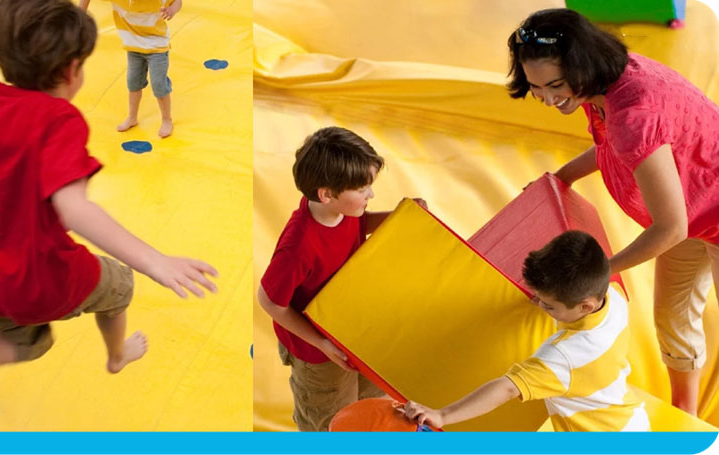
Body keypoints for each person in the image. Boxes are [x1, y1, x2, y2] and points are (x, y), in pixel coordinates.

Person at [0, 0, 216, 428]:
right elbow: (73, 207)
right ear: (72, 71)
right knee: (120, 285)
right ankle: (117, 357)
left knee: (26, 338)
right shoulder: (59, 120)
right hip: (42, 277)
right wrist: (155, 261)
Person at [508, 8, 719, 415]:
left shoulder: (634, 112)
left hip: (694, 215)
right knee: (672, 316)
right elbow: (609, 146)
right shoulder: (601, 84)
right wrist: (562, 178)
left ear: (581, 64)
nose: (550, 99)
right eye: (536, 87)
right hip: (694, 211)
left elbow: (670, 227)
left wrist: (601, 271)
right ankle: (686, 411)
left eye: (556, 85)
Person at [403, 231, 650, 431]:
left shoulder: (563, 357)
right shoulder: (612, 297)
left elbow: (507, 387)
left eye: (549, 305)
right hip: (633, 422)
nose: (540, 305)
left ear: (586, 305)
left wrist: (443, 415)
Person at [257, 126, 417, 431]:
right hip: (319, 353)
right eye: (362, 189)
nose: (371, 194)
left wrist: (397, 215)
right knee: (329, 419)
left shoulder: (343, 212)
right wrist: (321, 343)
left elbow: (355, 228)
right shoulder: (298, 246)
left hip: (352, 328)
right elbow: (270, 301)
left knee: (371, 404)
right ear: (327, 194)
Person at [80, 0, 182, 137]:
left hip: (157, 46)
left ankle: (166, 119)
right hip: (133, 46)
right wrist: (81, 13)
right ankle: (132, 117)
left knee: (159, 84)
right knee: (133, 83)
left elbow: (177, 1)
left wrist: (172, 10)